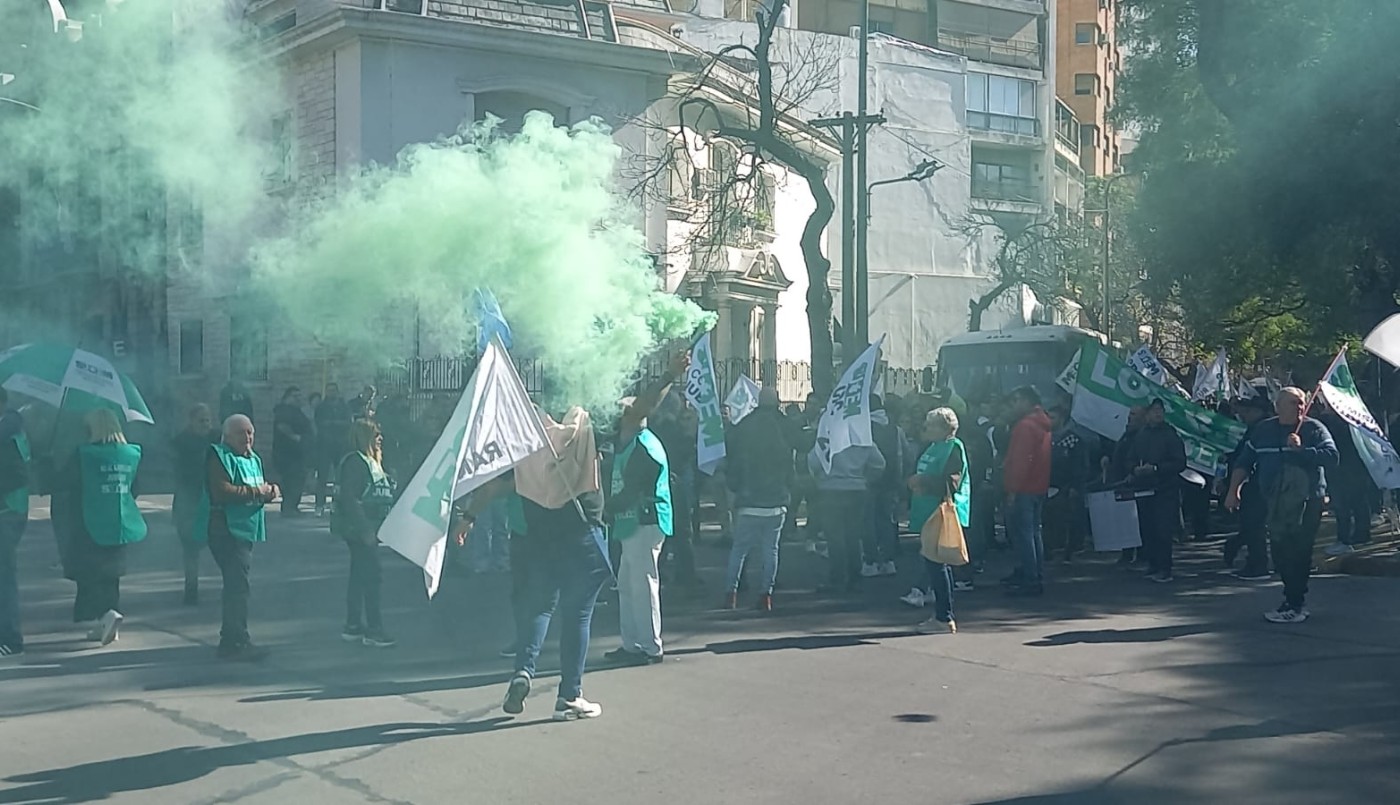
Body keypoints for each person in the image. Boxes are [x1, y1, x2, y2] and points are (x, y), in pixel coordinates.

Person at [493, 354, 685, 720]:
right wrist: (668, 376)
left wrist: (467, 514)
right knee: (578, 614)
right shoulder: (587, 425)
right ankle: (569, 695)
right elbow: (640, 410)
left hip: (538, 533)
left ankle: (523, 670)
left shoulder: (529, 429)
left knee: (539, 607)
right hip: (580, 530)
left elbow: (501, 477)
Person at [1225, 387, 1338, 623]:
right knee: (1280, 551)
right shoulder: (1263, 430)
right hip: (1275, 502)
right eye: (1292, 403)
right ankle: (1292, 597)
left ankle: (1294, 602)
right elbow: (1244, 461)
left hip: (1308, 501)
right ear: (1278, 406)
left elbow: (1331, 456)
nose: (1298, 407)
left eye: (1301, 403)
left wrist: (1302, 450)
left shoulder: (1314, 428)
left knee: (1299, 550)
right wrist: (1233, 490)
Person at [60, 409, 148, 646]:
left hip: (88, 521)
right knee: (112, 574)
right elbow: (135, 487)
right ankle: (108, 622)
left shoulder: (83, 454)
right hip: (120, 520)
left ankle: (106, 614)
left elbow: (68, 484)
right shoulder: (130, 454)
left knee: (90, 572)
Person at [604, 383, 677, 667]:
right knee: (628, 583)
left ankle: (649, 645)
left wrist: (607, 508)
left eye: (622, 413)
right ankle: (632, 643)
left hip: (644, 521)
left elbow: (635, 487)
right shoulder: (631, 443)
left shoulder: (645, 446)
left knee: (643, 583)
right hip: (631, 522)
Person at [204, 414, 279, 660]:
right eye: (241, 433)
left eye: (250, 433)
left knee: (238, 585)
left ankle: (232, 636)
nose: (247, 438)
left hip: (246, 529)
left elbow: (258, 486)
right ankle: (235, 641)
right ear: (227, 435)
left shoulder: (253, 458)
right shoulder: (219, 456)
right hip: (225, 529)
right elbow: (222, 491)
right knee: (238, 586)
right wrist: (257, 491)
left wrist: (270, 491)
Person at [722, 386, 793, 611]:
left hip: (748, 499)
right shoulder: (783, 431)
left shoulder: (745, 426)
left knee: (739, 549)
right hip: (776, 501)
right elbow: (792, 462)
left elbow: (731, 455)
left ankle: (731, 593)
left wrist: (734, 486)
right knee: (770, 549)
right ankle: (766, 594)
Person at [331, 419, 397, 648]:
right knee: (372, 576)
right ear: (364, 436)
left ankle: (353, 625)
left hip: (369, 527)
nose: (380, 438)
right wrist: (365, 529)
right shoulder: (356, 462)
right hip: (360, 529)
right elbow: (350, 498)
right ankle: (374, 629)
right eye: (376, 433)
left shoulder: (371, 462)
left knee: (359, 576)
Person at [808, 412, 886, 594]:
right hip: (857, 490)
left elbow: (813, 461)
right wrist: (865, 478)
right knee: (853, 535)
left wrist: (821, 478)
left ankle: (837, 578)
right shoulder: (863, 439)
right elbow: (880, 463)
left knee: (835, 537)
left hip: (830, 490)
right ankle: (855, 577)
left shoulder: (827, 439)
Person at [907, 407, 966, 634]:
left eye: (930, 425)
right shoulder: (934, 446)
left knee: (937, 562)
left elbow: (952, 483)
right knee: (936, 563)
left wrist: (923, 481)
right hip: (928, 511)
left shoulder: (953, 448)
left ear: (944, 428)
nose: (926, 428)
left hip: (940, 511)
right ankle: (942, 614)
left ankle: (944, 617)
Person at [1124, 399, 1188, 583]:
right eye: (1154, 411)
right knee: (1148, 529)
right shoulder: (1141, 435)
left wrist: (1157, 468)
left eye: (1160, 410)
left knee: (1163, 530)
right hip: (1144, 488)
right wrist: (1134, 469)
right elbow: (1130, 458)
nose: (1158, 414)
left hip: (1165, 489)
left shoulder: (1170, 435)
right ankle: (1153, 564)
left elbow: (1179, 462)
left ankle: (1165, 568)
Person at [1002, 386, 1051, 597]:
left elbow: (1020, 461)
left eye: (1015, 401)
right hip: (1039, 485)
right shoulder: (1044, 424)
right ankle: (1034, 572)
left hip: (1023, 487)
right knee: (1034, 532)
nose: (1013, 406)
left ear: (1024, 401)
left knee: (1023, 535)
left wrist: (1012, 488)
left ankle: (1030, 577)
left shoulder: (1024, 426)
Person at [171, 404, 219, 605]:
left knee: (220, 545)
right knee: (190, 549)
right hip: (188, 500)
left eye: (208, 420)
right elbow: (178, 472)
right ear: (191, 421)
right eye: (202, 420)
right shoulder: (180, 442)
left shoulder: (215, 439)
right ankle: (191, 589)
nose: (206, 424)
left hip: (212, 500)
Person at [1317, 400, 1375, 556]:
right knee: (1359, 502)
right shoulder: (1354, 420)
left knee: (1343, 506)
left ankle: (1344, 540)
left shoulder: (1330, 423)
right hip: (1358, 466)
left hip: (1340, 468)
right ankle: (1362, 534)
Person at [1223, 395, 1272, 578]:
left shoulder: (1262, 429)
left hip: (1257, 482)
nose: (1243, 414)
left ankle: (1258, 564)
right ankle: (1251, 557)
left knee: (1255, 524)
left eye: (1247, 410)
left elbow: (1247, 457)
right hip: (1254, 482)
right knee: (1252, 524)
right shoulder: (1254, 428)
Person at [0, 388, 31, 657]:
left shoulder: (7, 434)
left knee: (4, 578)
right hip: (11, 511)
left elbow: (18, 476)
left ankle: (10, 638)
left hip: (6, 512)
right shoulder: (10, 429)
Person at [863, 394, 907, 578]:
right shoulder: (895, 429)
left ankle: (871, 561)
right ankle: (889, 561)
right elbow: (903, 454)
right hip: (891, 480)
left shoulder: (864, 427)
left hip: (869, 481)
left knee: (868, 522)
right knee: (887, 520)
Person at [1046, 405, 1093, 564]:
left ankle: (1069, 551)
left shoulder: (1072, 439)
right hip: (1048, 485)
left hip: (1067, 486)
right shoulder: (1046, 437)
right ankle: (1051, 549)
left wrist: (1075, 486)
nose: (1049, 421)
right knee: (1050, 520)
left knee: (1069, 519)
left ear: (1061, 419)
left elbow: (1079, 464)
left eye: (1052, 418)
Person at [1107, 405, 1148, 567]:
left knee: (1139, 521)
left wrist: (1134, 472)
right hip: (1121, 481)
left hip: (1135, 483)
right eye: (1130, 413)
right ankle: (1127, 553)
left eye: (1134, 414)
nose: (1130, 417)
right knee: (1124, 521)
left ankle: (1142, 555)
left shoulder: (1142, 435)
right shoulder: (1126, 433)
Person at [314, 383, 352, 517]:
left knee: (340, 478)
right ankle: (319, 505)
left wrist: (335, 423)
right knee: (322, 478)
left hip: (340, 445)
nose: (331, 393)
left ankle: (338, 505)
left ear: (337, 391)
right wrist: (332, 424)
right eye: (329, 391)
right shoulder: (322, 407)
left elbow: (349, 422)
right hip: (324, 446)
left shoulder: (344, 407)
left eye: (333, 391)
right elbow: (319, 423)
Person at [273, 386, 312, 516]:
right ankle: (288, 508)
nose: (298, 399)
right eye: (295, 396)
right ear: (287, 398)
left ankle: (293, 507)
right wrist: (295, 437)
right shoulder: (284, 411)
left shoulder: (297, 411)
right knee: (291, 481)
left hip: (298, 453)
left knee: (298, 480)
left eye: (299, 396)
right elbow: (282, 426)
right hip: (287, 453)